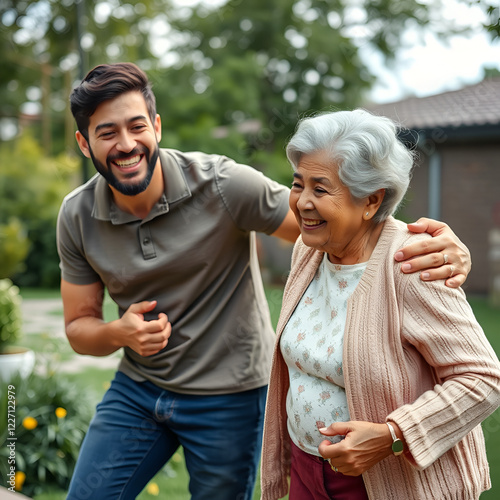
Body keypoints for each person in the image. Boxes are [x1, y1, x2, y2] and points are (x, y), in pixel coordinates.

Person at [57, 63, 471, 500]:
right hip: (138, 390)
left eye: (136, 126)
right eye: (106, 133)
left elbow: (332, 220)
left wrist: (427, 243)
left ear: (156, 127)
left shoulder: (222, 185)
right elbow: (79, 329)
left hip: (228, 396)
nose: (125, 144)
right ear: (85, 143)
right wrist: (118, 332)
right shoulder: (77, 215)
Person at [260, 109, 500, 500]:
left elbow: (483, 379)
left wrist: (393, 436)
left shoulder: (411, 264)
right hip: (307, 471)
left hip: (381, 484)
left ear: (371, 200)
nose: (302, 202)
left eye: (320, 190)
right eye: (297, 184)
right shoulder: (308, 250)